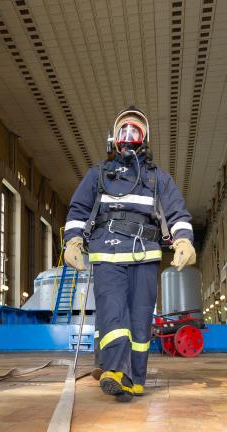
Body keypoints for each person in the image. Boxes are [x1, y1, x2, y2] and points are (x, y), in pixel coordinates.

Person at [64, 106, 195, 402]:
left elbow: (177, 212)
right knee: (114, 312)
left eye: (135, 131)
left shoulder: (157, 178)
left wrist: (183, 240)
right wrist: (72, 241)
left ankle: (135, 379)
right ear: (113, 137)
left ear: (145, 138)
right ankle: (114, 371)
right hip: (108, 254)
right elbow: (78, 211)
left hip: (145, 255)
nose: (129, 137)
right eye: (124, 130)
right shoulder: (98, 175)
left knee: (140, 321)